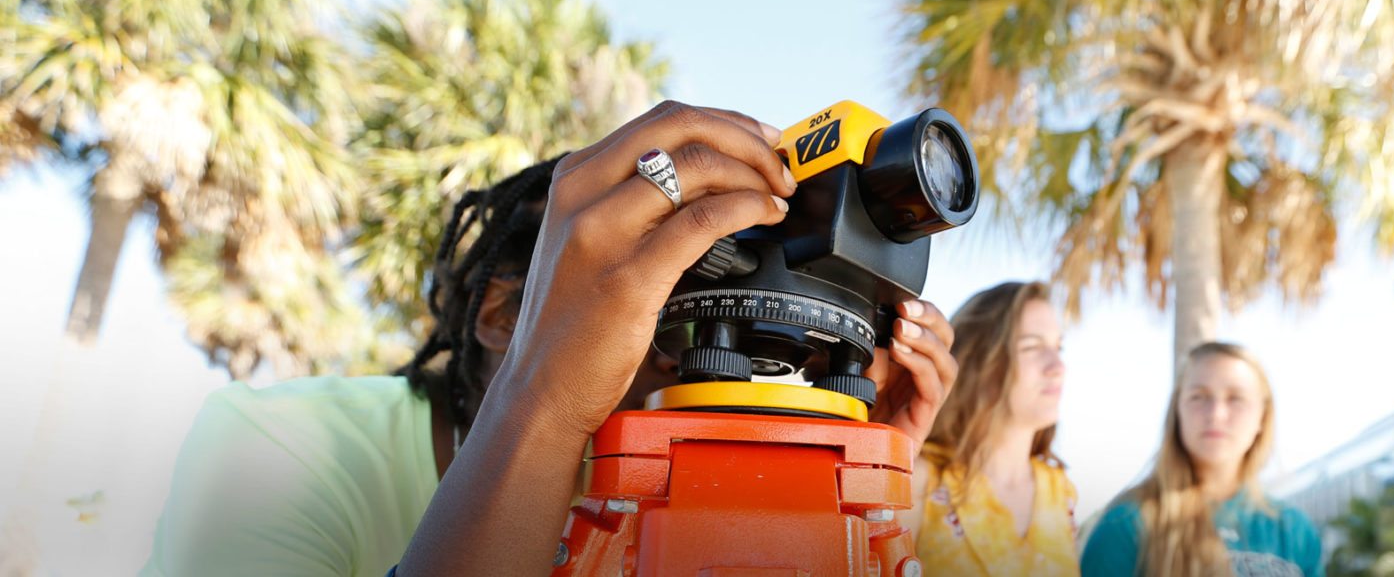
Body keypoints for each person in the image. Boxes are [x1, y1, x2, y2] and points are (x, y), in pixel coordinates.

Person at [145, 101, 961, 576]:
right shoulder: (274, 447)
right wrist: (543, 398)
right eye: (646, 306)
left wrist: (842, 493)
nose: (684, 370)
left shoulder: (640, 503)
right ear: (505, 316)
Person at [1080, 342, 1321, 577]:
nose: (1216, 413)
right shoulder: (1127, 523)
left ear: (1263, 416)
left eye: (1235, 398)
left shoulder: (1295, 530)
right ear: (1177, 410)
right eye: (1198, 396)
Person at [903, 281, 1079, 576]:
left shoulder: (1061, 492)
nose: (1058, 366)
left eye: (1058, 347)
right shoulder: (919, 479)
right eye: (1033, 347)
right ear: (979, 360)